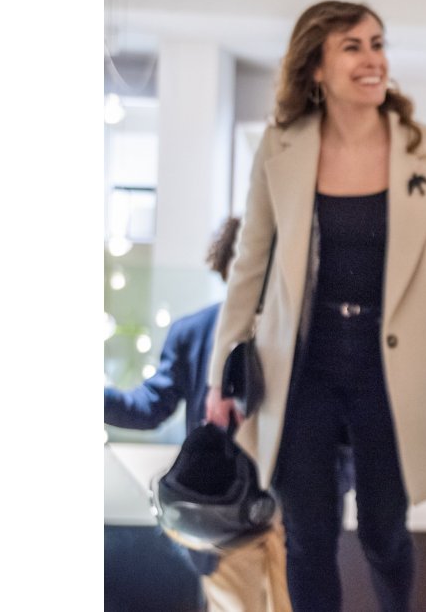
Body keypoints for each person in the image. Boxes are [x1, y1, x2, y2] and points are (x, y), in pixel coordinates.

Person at [204, 0, 426, 612]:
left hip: (395, 372)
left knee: (382, 532)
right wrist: (219, 378)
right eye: (353, 47)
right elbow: (249, 265)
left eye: (378, 43)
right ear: (315, 67)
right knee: (307, 536)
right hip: (303, 368)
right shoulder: (279, 150)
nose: (374, 60)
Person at [105, 217, 292, 612]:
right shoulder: (194, 331)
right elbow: (148, 407)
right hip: (225, 518)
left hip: (293, 516)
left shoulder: (300, 334)